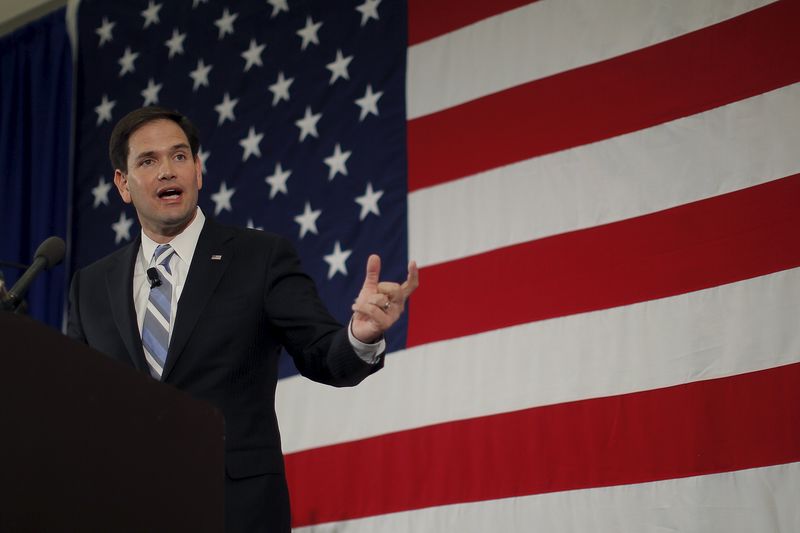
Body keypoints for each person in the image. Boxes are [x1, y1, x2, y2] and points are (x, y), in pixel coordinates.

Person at [67, 106, 418, 532]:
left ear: (198, 170)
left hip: (235, 510)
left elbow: (324, 355)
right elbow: (78, 410)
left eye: (179, 157)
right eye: (148, 161)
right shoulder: (90, 286)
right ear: (123, 184)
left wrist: (360, 335)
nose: (166, 171)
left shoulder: (259, 257)